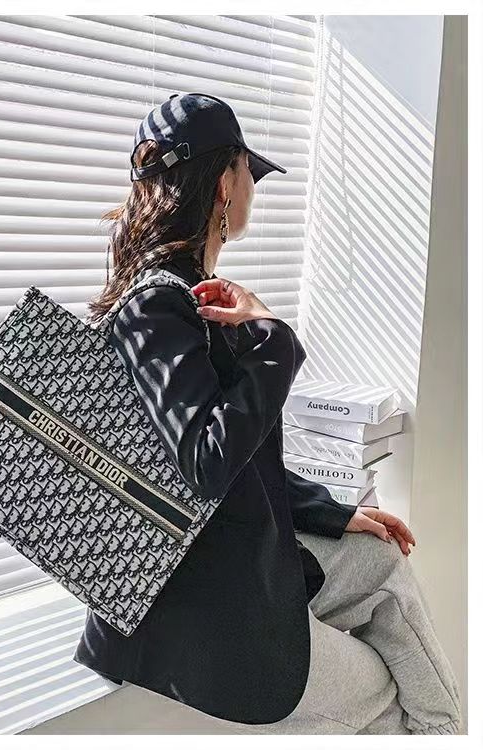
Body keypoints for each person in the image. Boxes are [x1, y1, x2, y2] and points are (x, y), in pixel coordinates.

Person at [72, 93, 462, 734]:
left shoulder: (184, 298)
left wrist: (332, 511)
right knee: (383, 693)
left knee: (386, 566)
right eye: (249, 171)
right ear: (226, 183)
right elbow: (206, 464)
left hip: (225, 556)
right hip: (194, 605)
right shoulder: (156, 306)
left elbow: (240, 462)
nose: (253, 188)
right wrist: (273, 341)